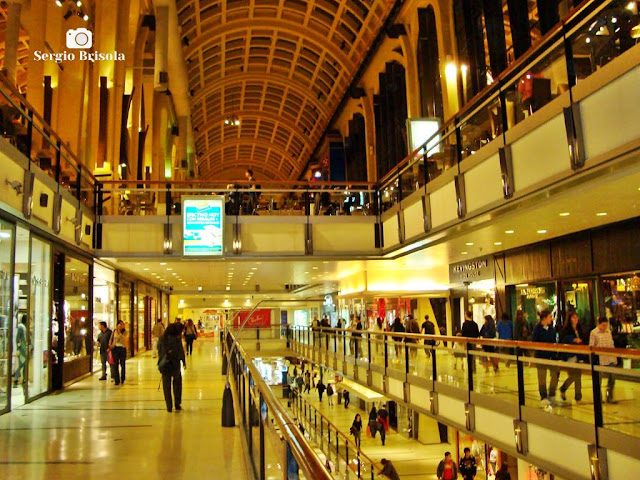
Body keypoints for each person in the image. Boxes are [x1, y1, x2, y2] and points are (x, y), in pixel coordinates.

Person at [531, 309, 559, 408]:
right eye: (549, 317)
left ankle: (551, 394)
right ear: (544, 318)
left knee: (555, 374)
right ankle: (543, 396)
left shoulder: (551, 328)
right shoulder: (537, 328)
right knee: (542, 377)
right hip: (541, 357)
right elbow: (534, 342)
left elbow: (553, 341)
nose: (551, 319)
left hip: (551, 356)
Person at [158, 322, 186, 412]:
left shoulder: (162, 339)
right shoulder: (177, 339)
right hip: (175, 364)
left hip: (165, 364)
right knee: (177, 384)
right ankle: (177, 403)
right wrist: (183, 361)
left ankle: (169, 406)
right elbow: (180, 351)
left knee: (166, 386)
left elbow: (159, 351)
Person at [589, 317, 617, 403]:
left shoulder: (608, 332)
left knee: (612, 379)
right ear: (599, 324)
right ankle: (599, 398)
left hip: (610, 358)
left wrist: (615, 357)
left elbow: (611, 345)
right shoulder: (594, 333)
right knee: (598, 380)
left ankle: (609, 397)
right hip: (600, 360)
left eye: (606, 325)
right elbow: (591, 347)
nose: (605, 327)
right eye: (603, 325)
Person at [559, 312, 584, 402]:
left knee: (578, 375)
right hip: (570, 355)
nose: (576, 319)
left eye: (576, 317)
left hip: (579, 355)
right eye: (573, 317)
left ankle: (578, 395)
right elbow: (562, 340)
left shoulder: (579, 329)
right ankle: (563, 388)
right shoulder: (566, 330)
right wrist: (573, 340)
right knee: (573, 376)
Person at [108, 320, 128, 385]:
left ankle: (123, 378)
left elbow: (124, 339)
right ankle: (117, 380)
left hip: (122, 349)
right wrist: (110, 346)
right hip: (115, 349)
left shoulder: (125, 332)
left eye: (122, 324)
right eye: (120, 324)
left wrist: (119, 332)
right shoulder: (114, 331)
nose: (122, 326)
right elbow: (111, 339)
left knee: (123, 364)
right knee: (115, 364)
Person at [13, 314, 27, 387]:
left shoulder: (23, 327)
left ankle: (24, 379)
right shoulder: (21, 327)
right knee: (21, 364)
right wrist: (18, 348)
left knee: (24, 364)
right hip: (22, 348)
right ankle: (16, 379)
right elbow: (18, 338)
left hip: (24, 348)